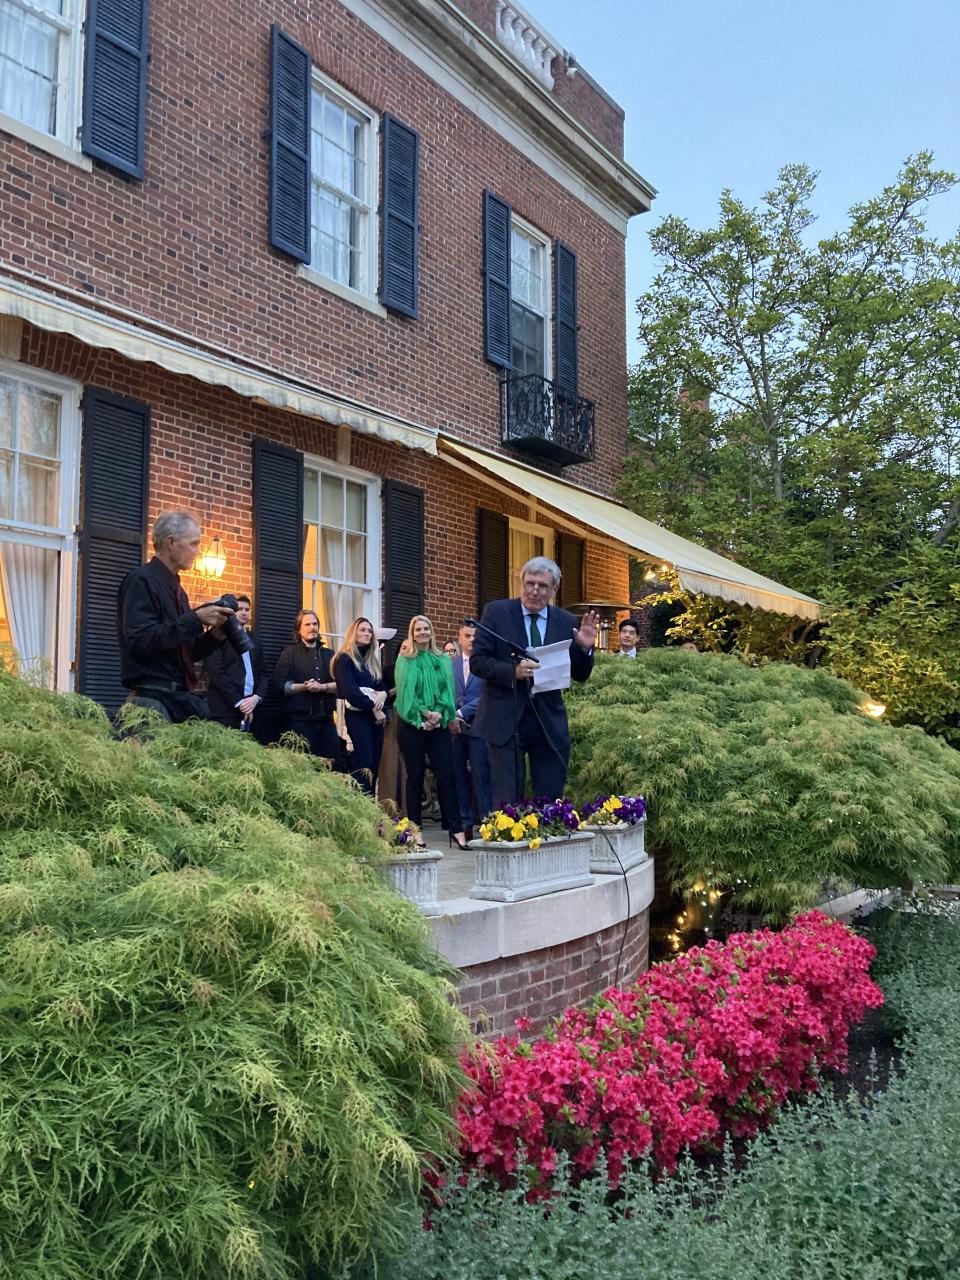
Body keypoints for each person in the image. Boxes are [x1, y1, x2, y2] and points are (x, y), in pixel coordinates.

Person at [471, 556, 599, 805]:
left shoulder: (565, 621)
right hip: (504, 720)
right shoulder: (497, 612)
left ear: (554, 589)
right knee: (507, 804)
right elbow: (478, 661)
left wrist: (584, 649)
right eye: (530, 583)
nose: (534, 590)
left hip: (548, 721)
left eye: (542, 585)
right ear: (522, 583)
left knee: (549, 802)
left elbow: (580, 675)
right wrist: (512, 671)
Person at [117, 510, 234, 723]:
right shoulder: (140, 581)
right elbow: (140, 640)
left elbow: (185, 652)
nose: (198, 551)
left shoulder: (178, 591)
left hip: (177, 699)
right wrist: (196, 619)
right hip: (150, 701)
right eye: (193, 544)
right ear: (171, 542)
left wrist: (215, 636)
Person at [394, 615, 467, 849]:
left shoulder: (443, 659)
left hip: (437, 723)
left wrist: (437, 714)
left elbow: (448, 690)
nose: (423, 632)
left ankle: (456, 829)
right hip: (411, 723)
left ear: (431, 631)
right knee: (414, 777)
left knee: (446, 775)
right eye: (418, 629)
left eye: (426, 628)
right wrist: (424, 714)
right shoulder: (405, 659)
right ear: (412, 633)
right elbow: (405, 695)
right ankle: (415, 830)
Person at [274, 610, 341, 764]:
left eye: (315, 624)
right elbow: (280, 686)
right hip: (299, 723)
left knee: (332, 767)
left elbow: (341, 685)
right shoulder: (289, 653)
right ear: (299, 629)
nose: (312, 627)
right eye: (307, 624)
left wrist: (322, 687)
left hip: (326, 721)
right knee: (302, 770)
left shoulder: (330, 654)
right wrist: (305, 687)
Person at [333, 616, 388, 795]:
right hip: (358, 716)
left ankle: (371, 808)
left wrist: (384, 694)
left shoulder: (372, 661)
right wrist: (374, 708)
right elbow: (351, 691)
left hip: (375, 719)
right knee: (363, 761)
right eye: (363, 630)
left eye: (370, 631)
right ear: (353, 633)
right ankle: (360, 807)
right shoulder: (344, 659)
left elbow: (381, 686)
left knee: (374, 763)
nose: (367, 633)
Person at [450, 621, 492, 838]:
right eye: (467, 636)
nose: (471, 640)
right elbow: (447, 691)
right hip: (454, 727)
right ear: (460, 639)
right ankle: (465, 825)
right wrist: (451, 713)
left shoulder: (485, 665)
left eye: (475, 636)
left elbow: (487, 695)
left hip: (478, 725)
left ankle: (487, 823)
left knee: (481, 775)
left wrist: (462, 712)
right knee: (458, 776)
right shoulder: (452, 664)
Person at [203, 594, 267, 731]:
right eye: (240, 609)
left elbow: (263, 674)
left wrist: (256, 698)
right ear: (232, 612)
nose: (244, 612)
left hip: (252, 710)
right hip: (224, 710)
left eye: (247, 609)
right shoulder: (218, 636)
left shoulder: (255, 639)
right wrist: (240, 702)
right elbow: (216, 674)